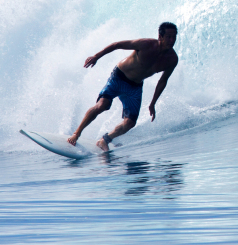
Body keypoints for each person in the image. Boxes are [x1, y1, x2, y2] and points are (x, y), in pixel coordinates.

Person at [67, 22, 179, 151]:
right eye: (169, 37)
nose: (172, 40)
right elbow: (117, 45)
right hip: (119, 77)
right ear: (160, 36)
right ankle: (76, 133)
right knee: (102, 105)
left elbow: (163, 81)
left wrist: (153, 103)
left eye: (174, 37)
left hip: (135, 87)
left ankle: (104, 140)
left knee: (130, 123)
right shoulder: (145, 44)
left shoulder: (172, 59)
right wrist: (96, 56)